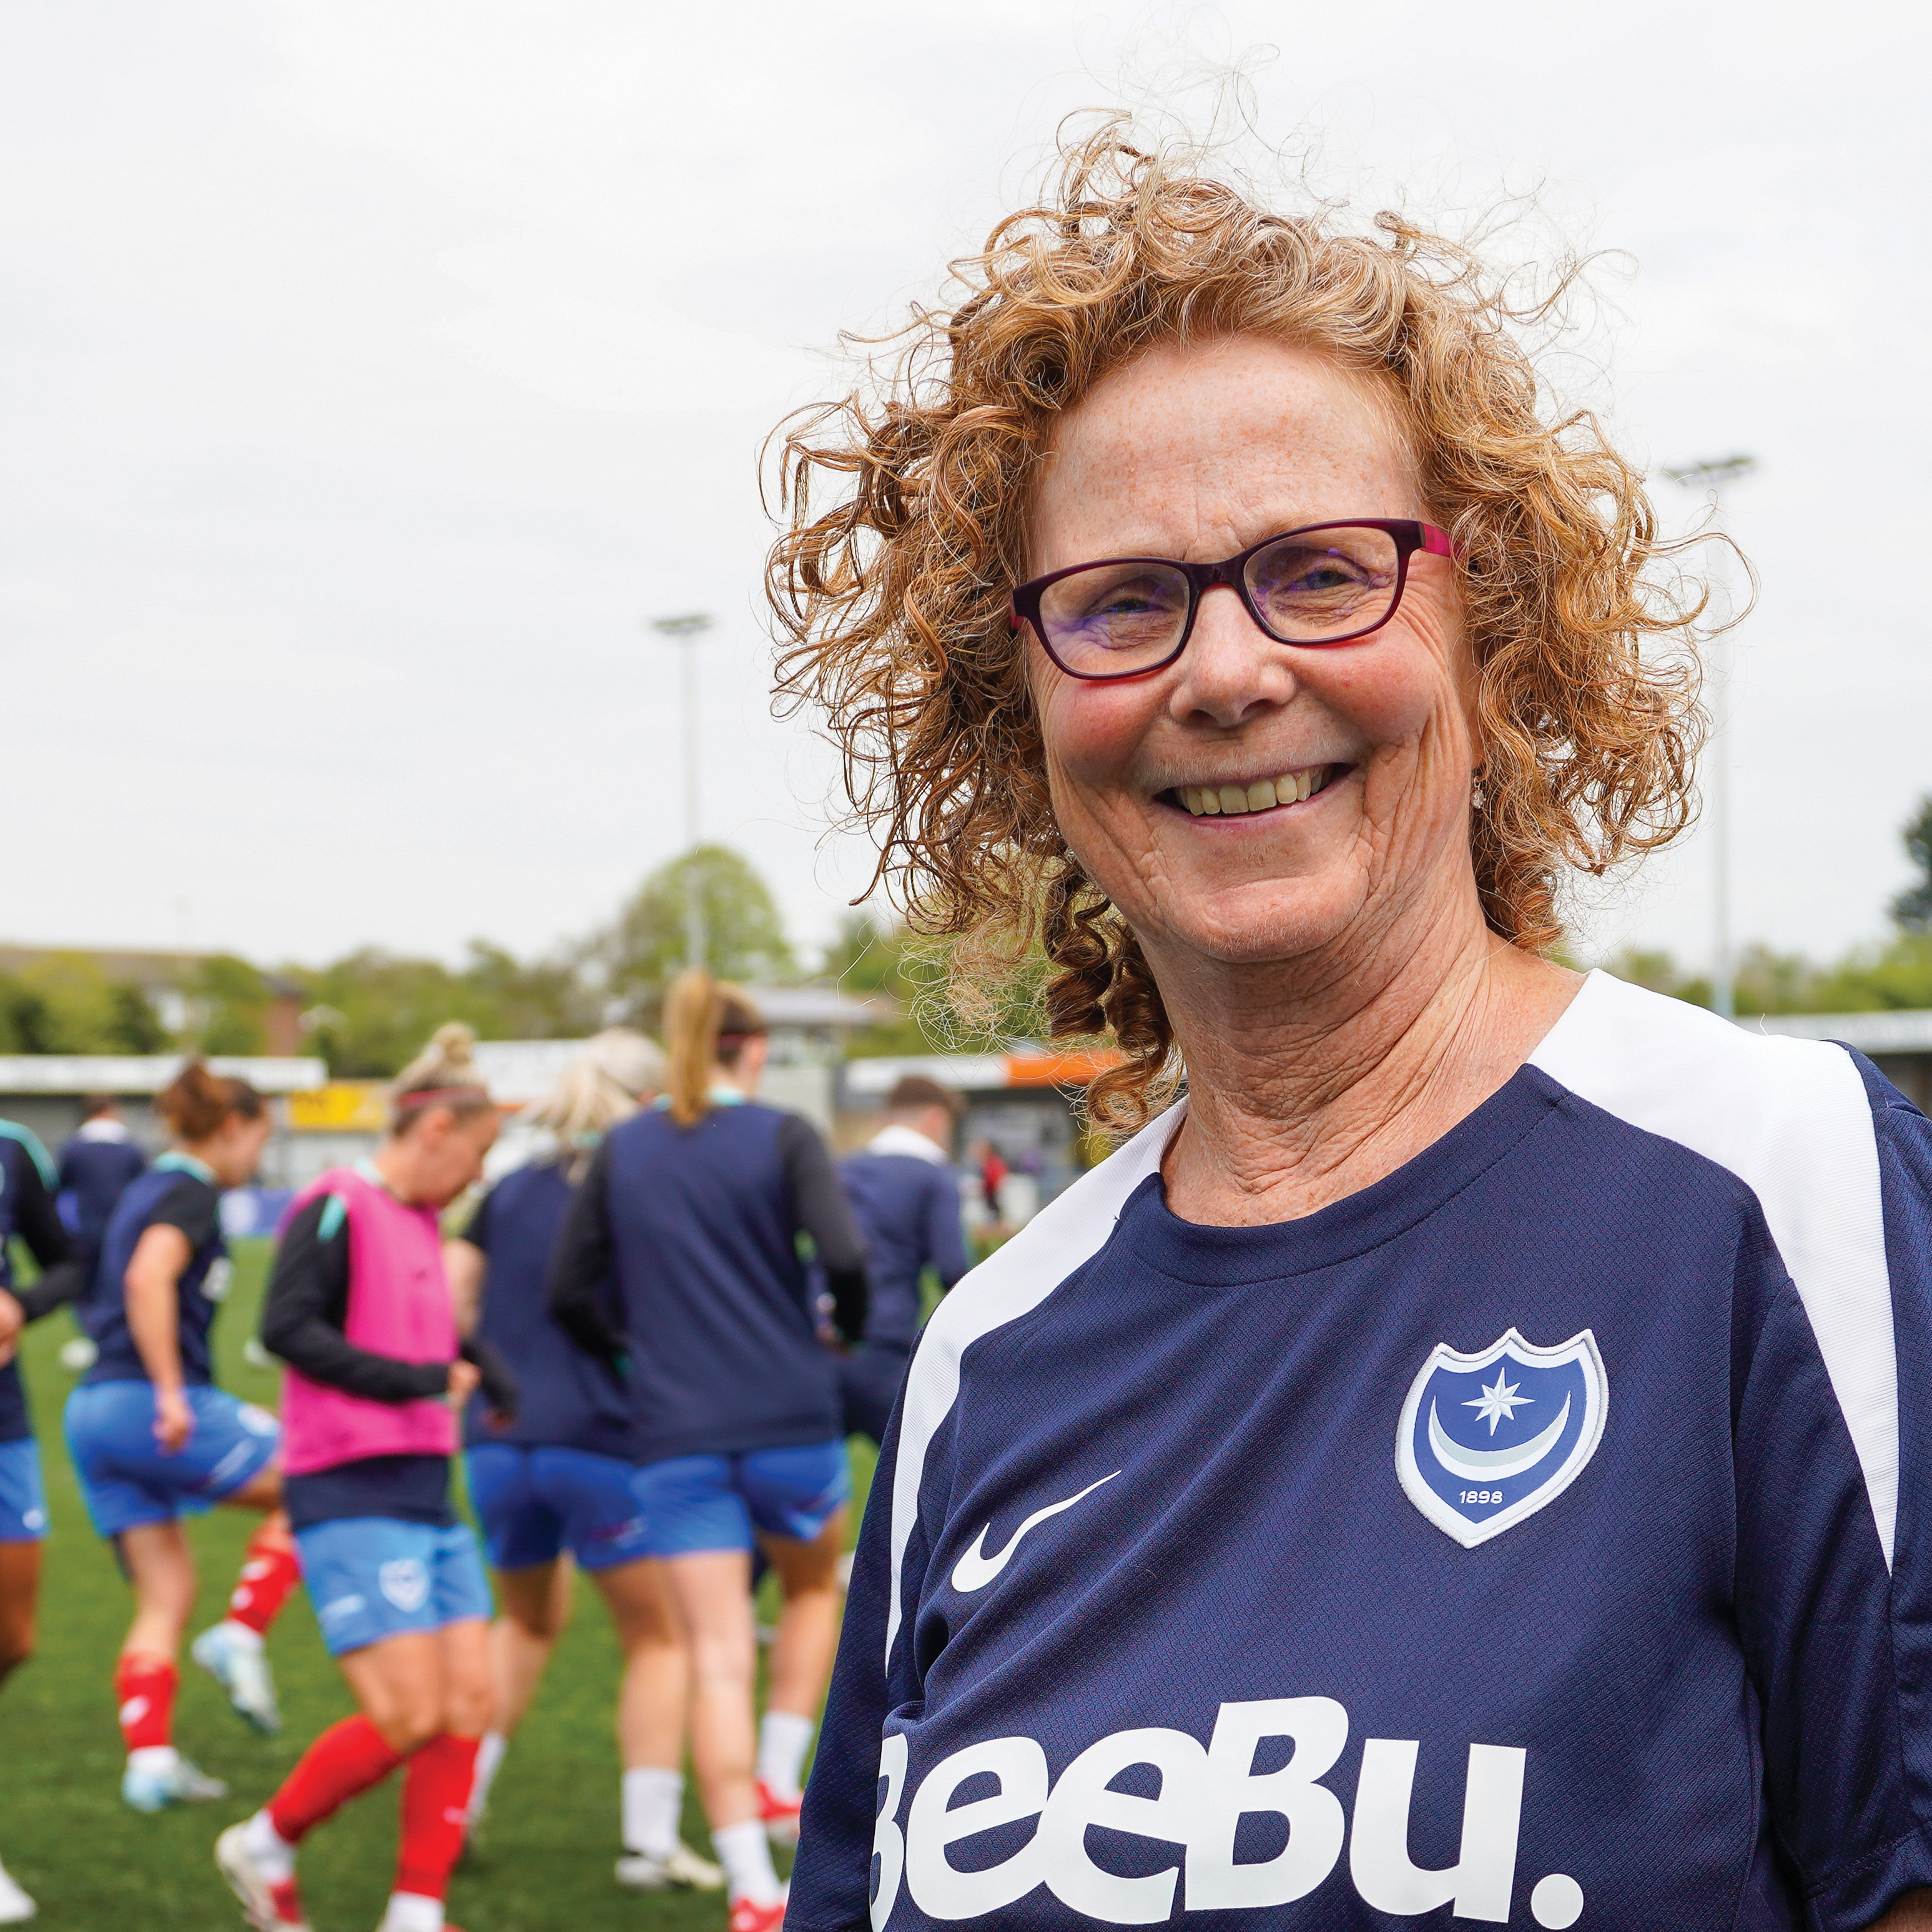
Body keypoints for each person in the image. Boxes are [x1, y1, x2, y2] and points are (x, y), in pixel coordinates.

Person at [767, 129, 1932, 1932]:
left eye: (1319, 569)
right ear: (1020, 713)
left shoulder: (1773, 1182)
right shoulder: (989, 1348)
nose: (1224, 672)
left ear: (1492, 632)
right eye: (1121, 601)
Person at [548, 972, 869, 1932]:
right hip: (790, 1423)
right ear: (755, 1048)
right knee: (815, 1591)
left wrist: (629, 1348)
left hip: (673, 1438)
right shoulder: (783, 1134)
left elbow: (569, 1289)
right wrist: (839, 1330)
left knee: (714, 1652)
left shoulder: (622, 1147)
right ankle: (778, 1777)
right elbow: (845, 1259)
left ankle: (749, 1887)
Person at [217, 1023, 516, 1932]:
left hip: (426, 1487)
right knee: (407, 1711)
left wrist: (492, 1377)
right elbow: (289, 1328)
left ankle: (415, 1909)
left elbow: (427, 1335)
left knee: (470, 1698)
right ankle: (264, 1841)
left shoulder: (422, 1219)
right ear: (435, 1132)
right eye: (476, 1153)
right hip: (347, 1486)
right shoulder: (334, 1202)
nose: (477, 1176)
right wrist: (421, 1380)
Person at [449, 1028, 724, 1895]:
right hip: (603, 1444)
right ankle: (648, 1841)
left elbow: (453, 1292)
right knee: (660, 1638)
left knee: (523, 1624)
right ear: (649, 1101)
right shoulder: (645, 1188)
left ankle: (453, 1811)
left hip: (496, 1443)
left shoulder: (511, 1187)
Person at [64, 1062, 300, 1810]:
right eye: (259, 1139)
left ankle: (152, 1762)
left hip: (94, 1409)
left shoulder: (145, 1183)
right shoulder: (192, 1188)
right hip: (146, 1402)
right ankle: (241, 1632)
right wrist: (170, 1390)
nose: (258, 1159)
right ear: (232, 1127)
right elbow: (146, 1276)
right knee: (317, 1477)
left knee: (165, 1592)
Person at [0, 1117, 86, 1921]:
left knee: (13, 1639)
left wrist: (17, 1304)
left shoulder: (13, 1147)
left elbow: (70, 1263)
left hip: (4, 1423)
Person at [835, 1077, 970, 1444]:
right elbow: (952, 1270)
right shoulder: (933, 1176)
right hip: (882, 1344)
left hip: (817, 1347)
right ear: (935, 1119)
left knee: (818, 1491)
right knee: (927, 1473)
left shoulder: (840, 1170)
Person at [57, 1094, 148, 1284]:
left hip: (85, 1228)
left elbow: (63, 1189)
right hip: (121, 1225)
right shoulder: (131, 1150)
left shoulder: (73, 1149)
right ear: (110, 1111)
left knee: (86, 1283)